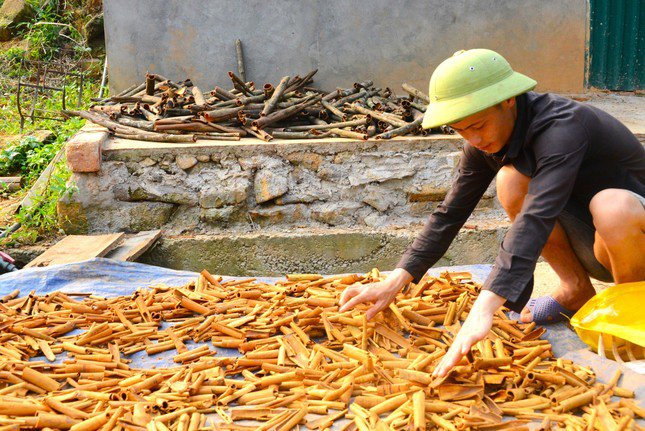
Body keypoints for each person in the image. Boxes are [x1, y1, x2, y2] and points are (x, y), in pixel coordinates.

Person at [339, 49, 645, 377]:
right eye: (461, 130)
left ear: (509, 100)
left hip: (630, 236)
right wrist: (395, 280)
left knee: (612, 207)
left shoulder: (562, 126)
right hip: (596, 241)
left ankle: (631, 316)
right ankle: (575, 289)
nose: (474, 139)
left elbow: (537, 217)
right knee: (510, 181)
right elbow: (450, 214)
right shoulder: (486, 142)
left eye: (479, 125)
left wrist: (484, 309)